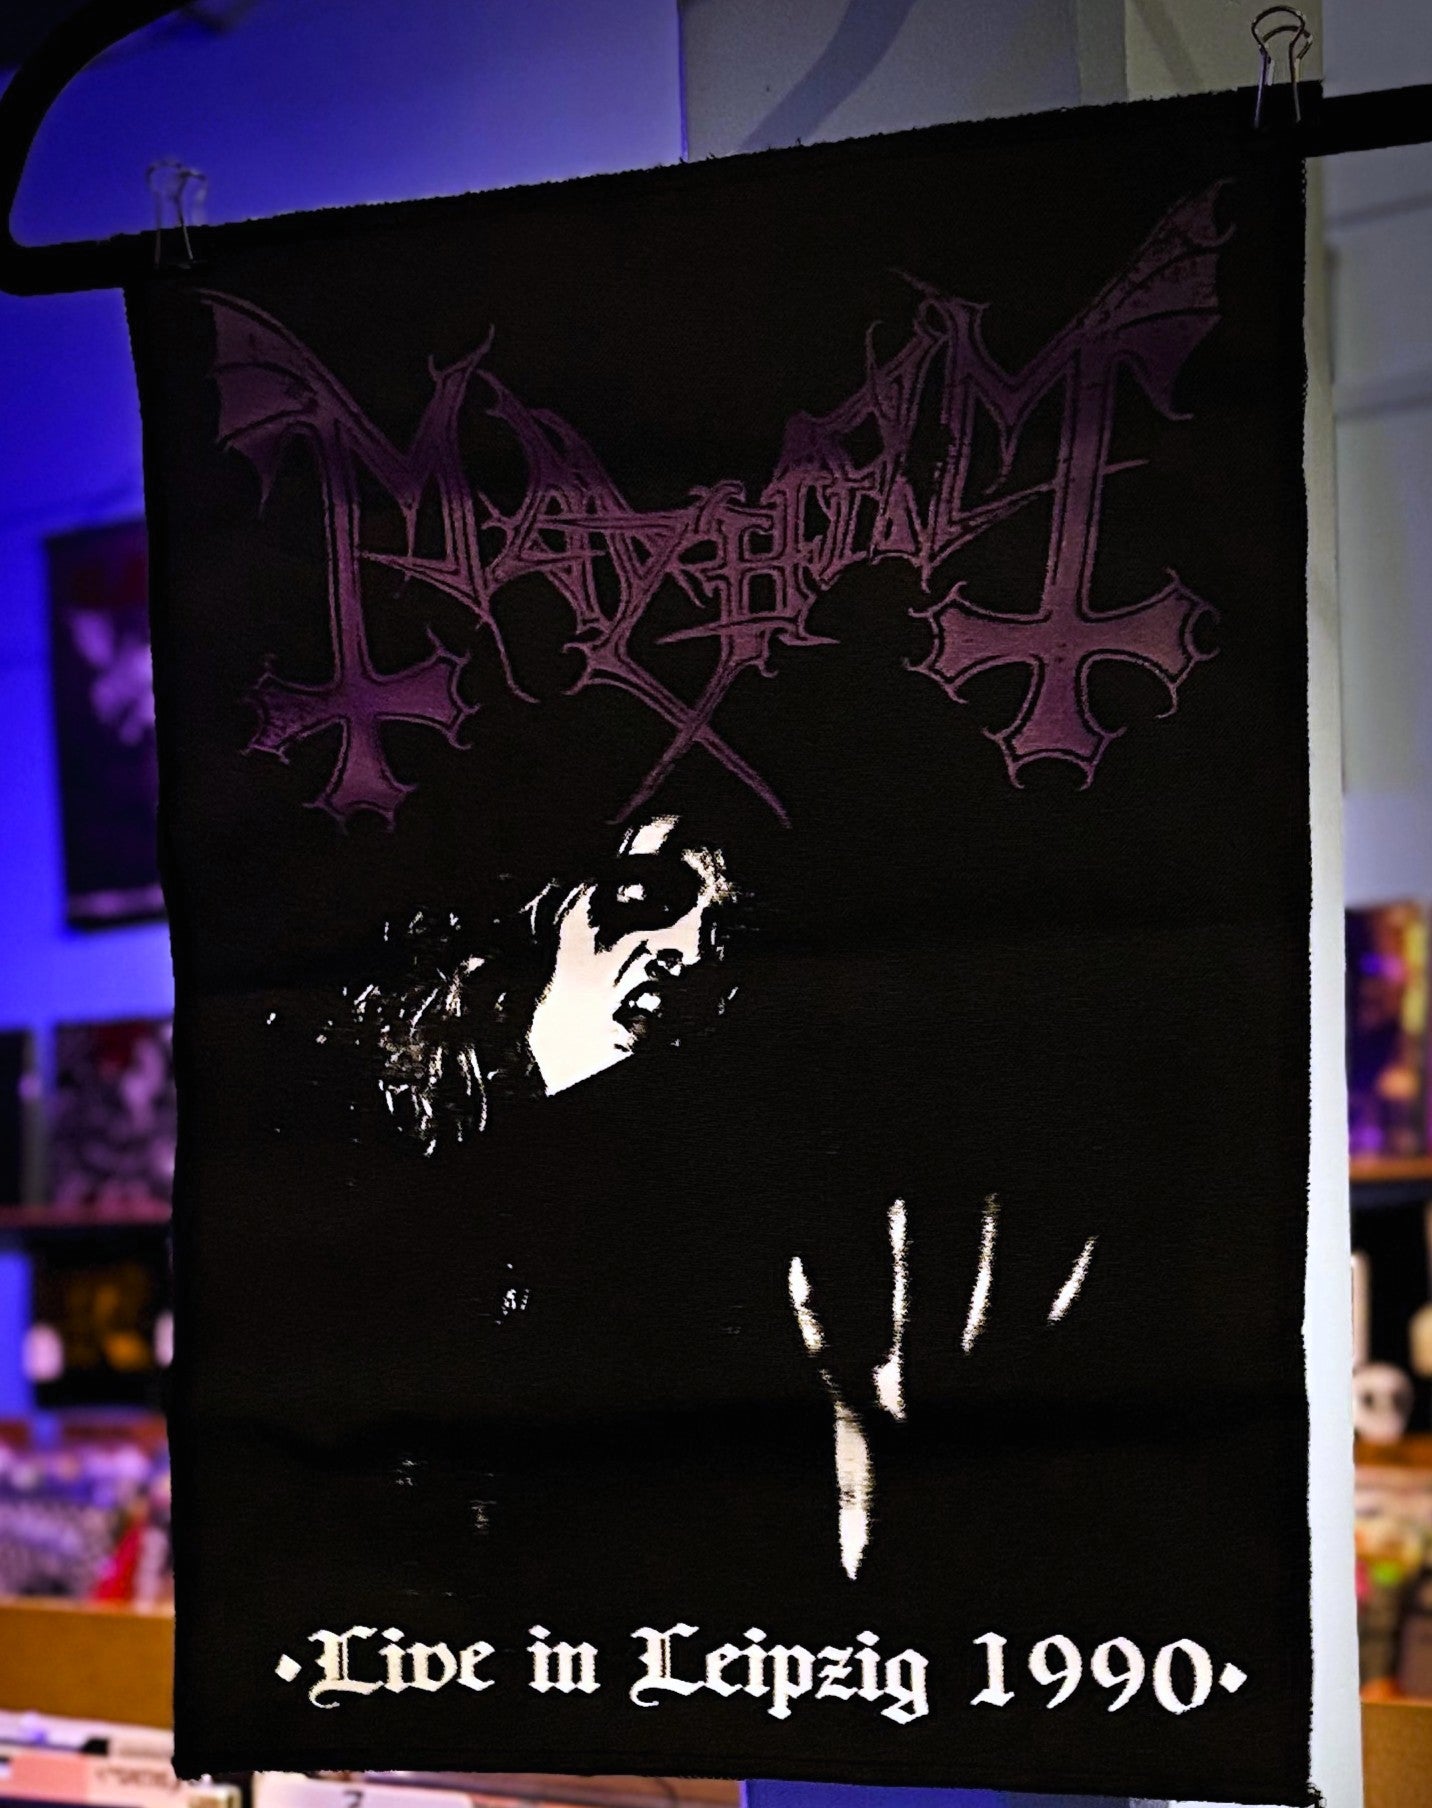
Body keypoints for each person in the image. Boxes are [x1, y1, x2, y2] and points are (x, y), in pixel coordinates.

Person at [353, 812, 741, 1149]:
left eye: (723, 935)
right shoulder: (373, 1102)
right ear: (557, 904)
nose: (691, 950)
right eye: (644, 895)